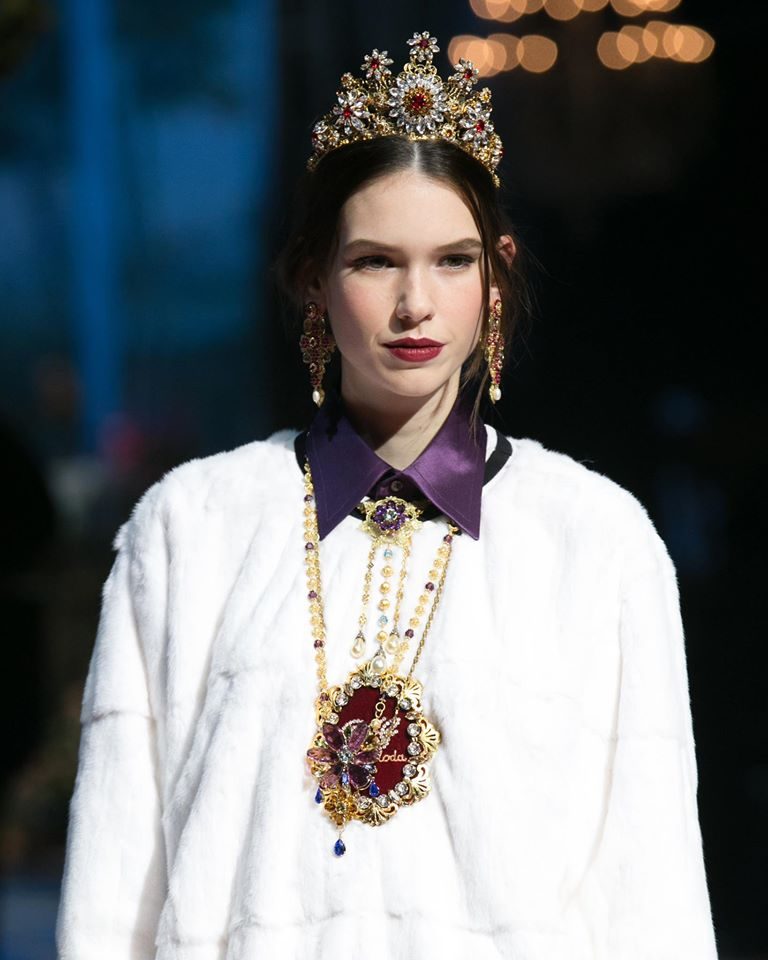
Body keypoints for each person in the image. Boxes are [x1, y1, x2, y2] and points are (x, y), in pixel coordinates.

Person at [55, 29, 719, 960]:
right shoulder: (188, 530)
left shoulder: (596, 540)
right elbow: (113, 892)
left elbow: (654, 899)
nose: (416, 303)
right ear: (313, 279)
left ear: (496, 276)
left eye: (453, 260)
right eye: (375, 260)